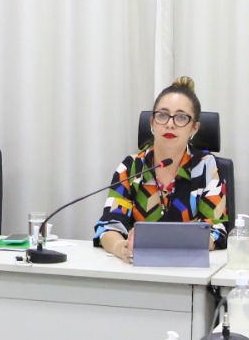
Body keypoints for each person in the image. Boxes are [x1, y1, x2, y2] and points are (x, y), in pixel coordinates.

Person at [94, 75, 228, 260]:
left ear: (194, 128)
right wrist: (120, 247)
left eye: (181, 117)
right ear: (152, 123)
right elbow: (108, 226)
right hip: (136, 269)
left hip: (189, 269)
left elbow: (216, 231)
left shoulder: (205, 166)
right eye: (162, 115)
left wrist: (180, 244)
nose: (170, 124)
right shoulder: (132, 167)